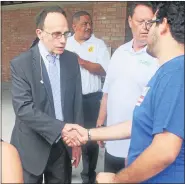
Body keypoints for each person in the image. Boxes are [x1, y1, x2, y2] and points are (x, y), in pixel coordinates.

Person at [63, 1, 185, 183]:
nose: (146, 29)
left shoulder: (176, 74)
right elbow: (140, 123)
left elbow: (165, 150)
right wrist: (89, 133)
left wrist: (117, 180)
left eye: (151, 23)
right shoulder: (166, 71)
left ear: (164, 25)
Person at [10, 6, 83, 183]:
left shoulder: (71, 59)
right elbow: (24, 109)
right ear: (40, 33)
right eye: (56, 34)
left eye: (66, 34)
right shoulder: (21, 64)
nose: (63, 40)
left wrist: (77, 140)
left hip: (62, 147)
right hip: (30, 147)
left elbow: (76, 102)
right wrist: (61, 128)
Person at [96, 2, 158, 172]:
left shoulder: (157, 57)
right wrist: (101, 124)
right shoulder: (119, 53)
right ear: (130, 21)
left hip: (140, 145)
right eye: (140, 21)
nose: (145, 27)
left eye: (150, 22)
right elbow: (107, 91)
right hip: (113, 141)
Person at [65, 11, 110, 183]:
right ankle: (65, 171)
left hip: (92, 99)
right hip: (69, 100)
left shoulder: (98, 44)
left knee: (90, 138)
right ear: (74, 26)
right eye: (84, 24)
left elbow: (105, 70)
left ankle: (88, 177)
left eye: (90, 23)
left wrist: (82, 62)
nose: (88, 27)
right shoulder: (66, 44)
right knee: (69, 135)